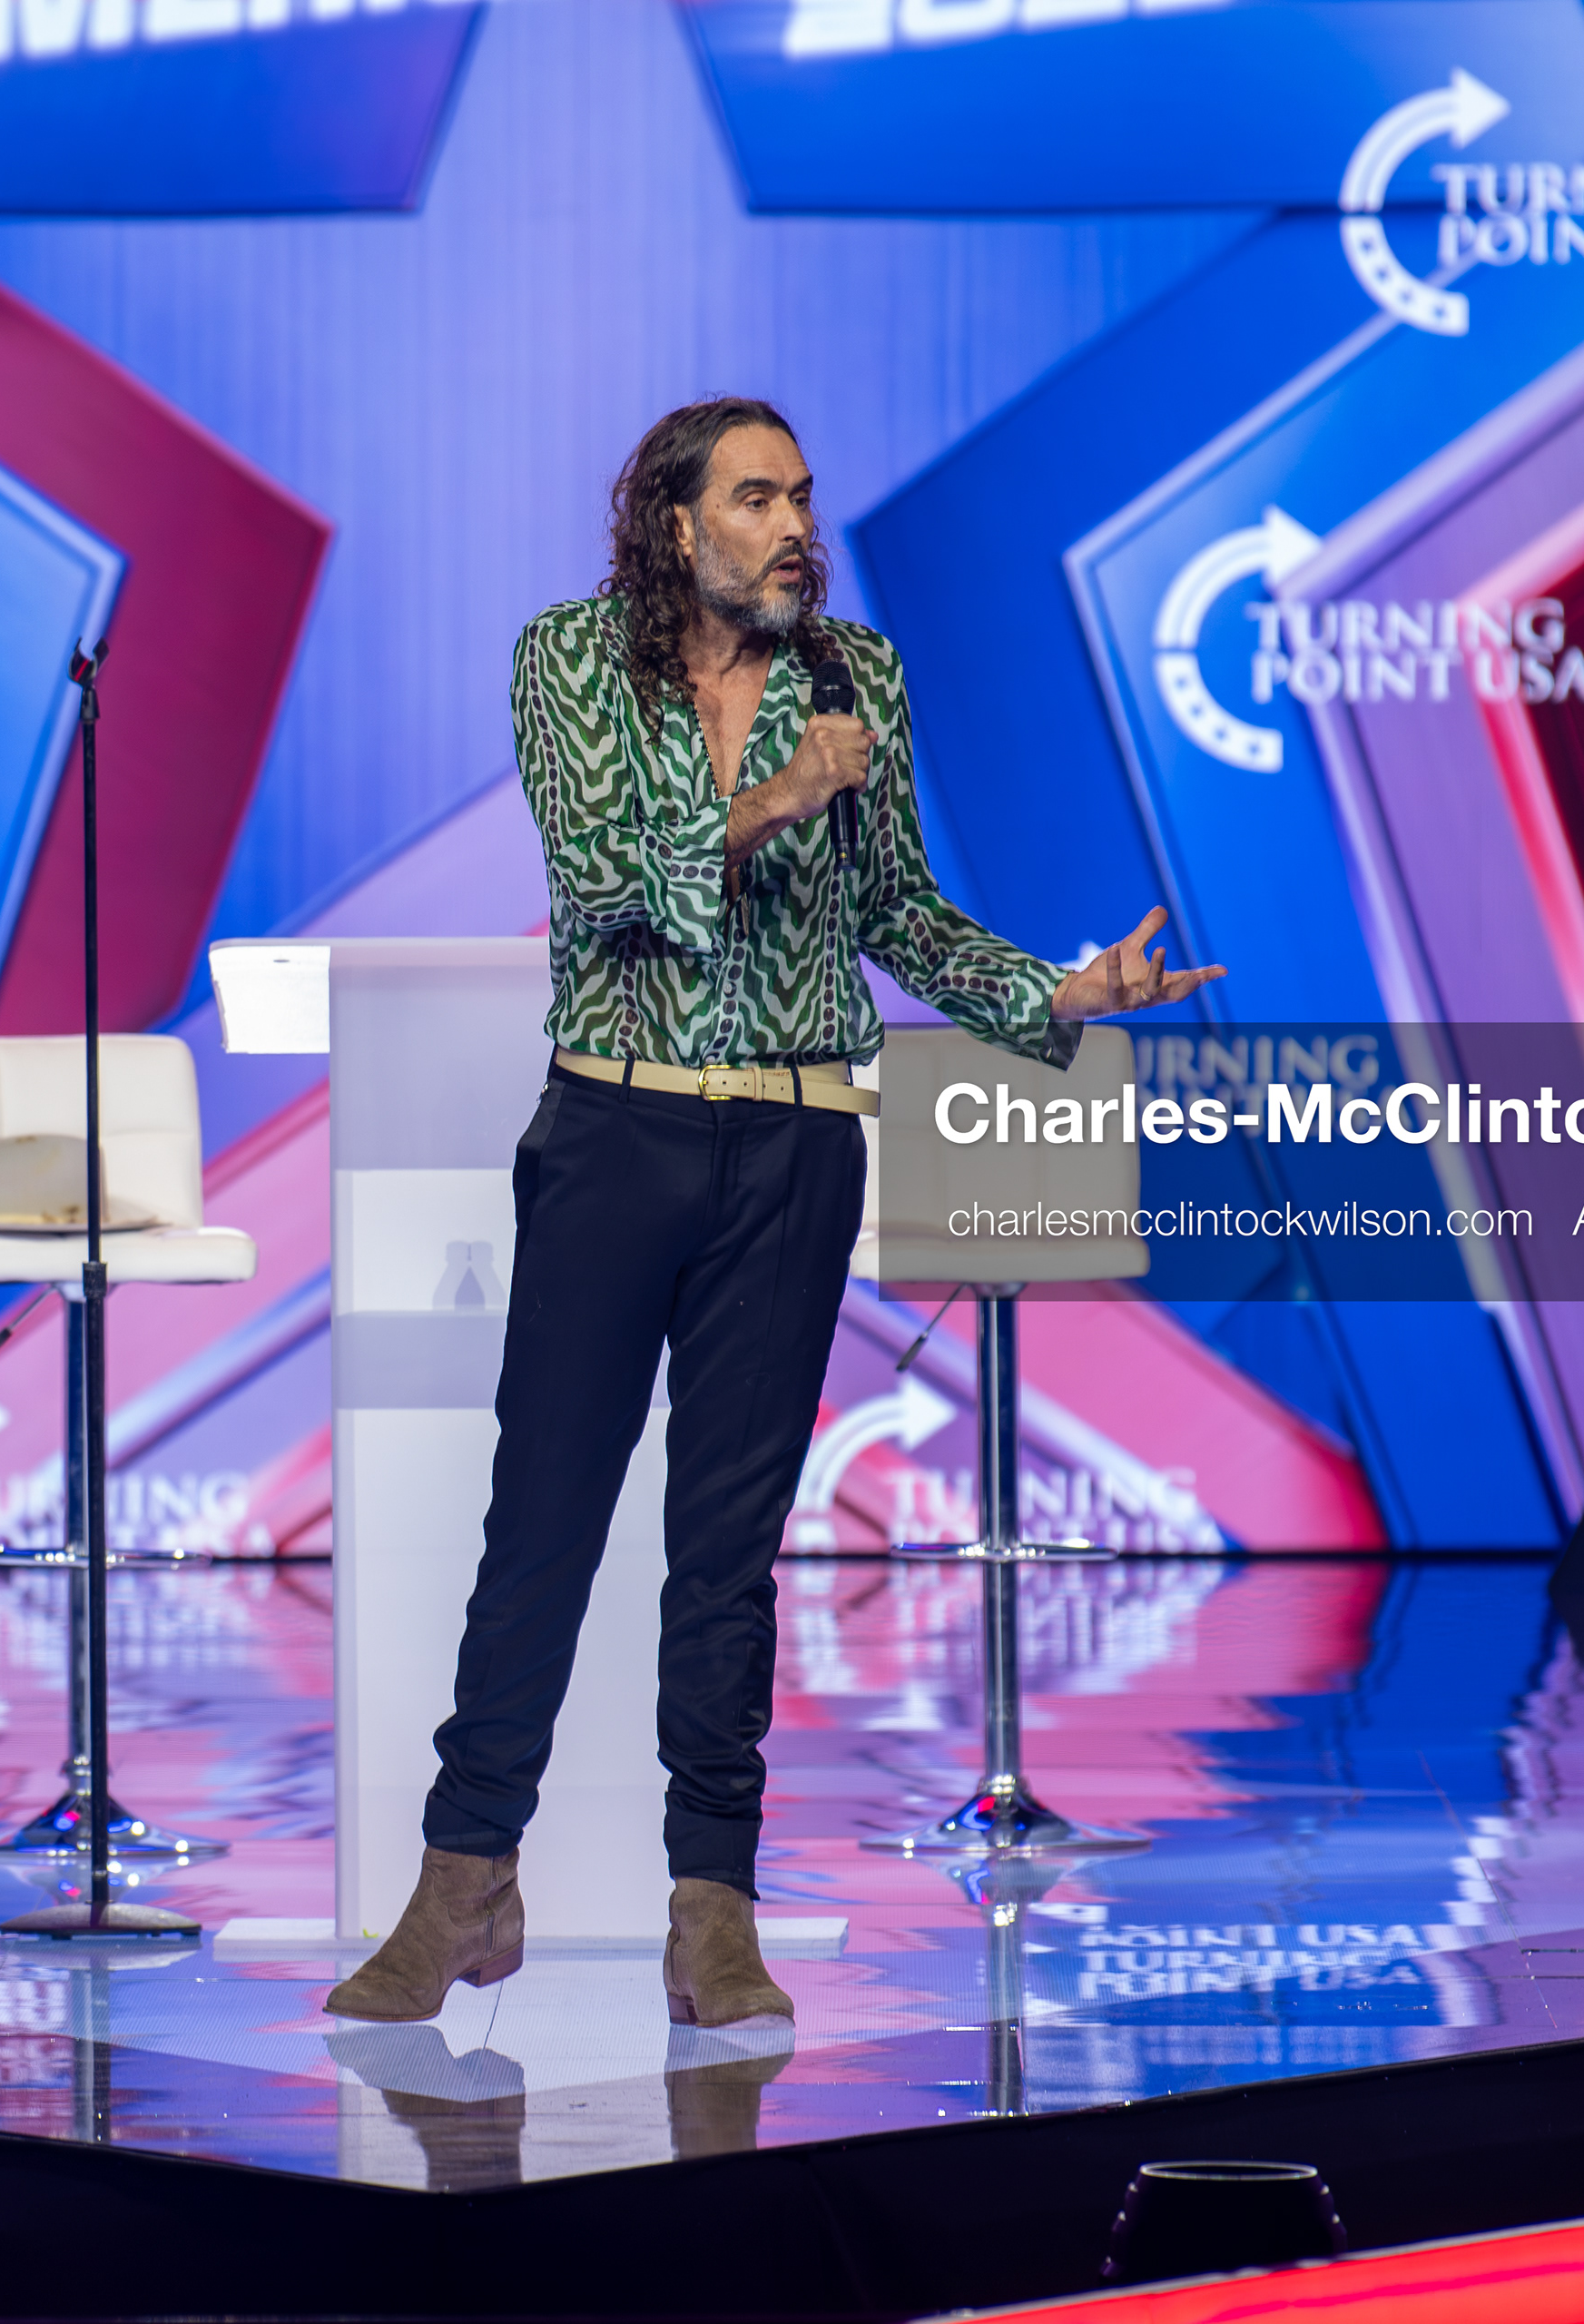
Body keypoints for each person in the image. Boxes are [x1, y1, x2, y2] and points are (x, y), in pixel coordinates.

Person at [324, 399, 1221, 2032]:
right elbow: (601, 878)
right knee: (542, 1529)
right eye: (757, 498)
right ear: (680, 525)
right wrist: (778, 800)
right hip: (617, 1131)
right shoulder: (572, 660)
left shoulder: (854, 678)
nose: (795, 524)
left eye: (803, 496)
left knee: (727, 1557)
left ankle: (710, 1910)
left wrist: (1062, 992)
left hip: (799, 1143)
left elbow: (899, 916)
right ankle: (468, 1884)